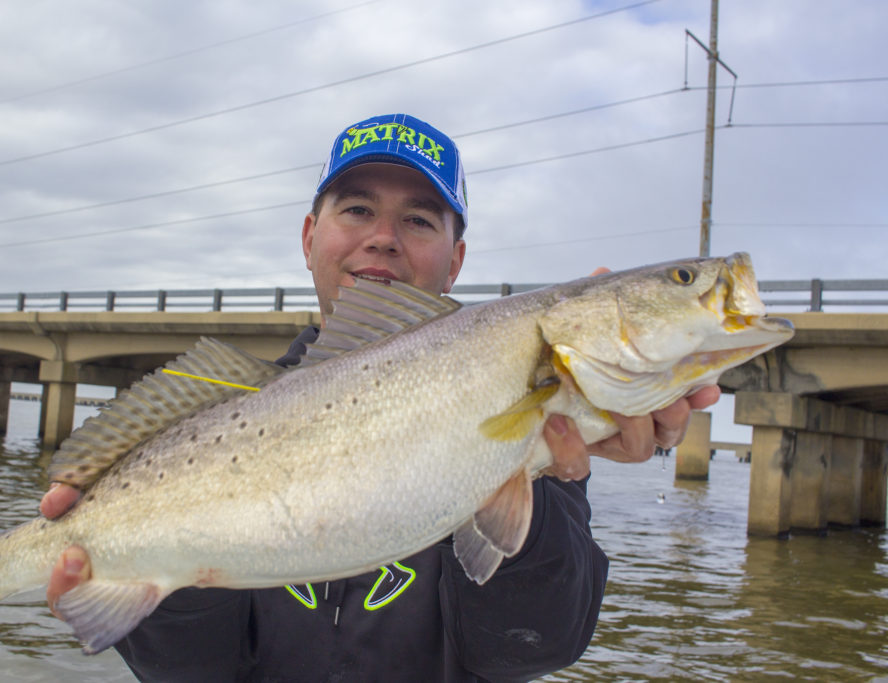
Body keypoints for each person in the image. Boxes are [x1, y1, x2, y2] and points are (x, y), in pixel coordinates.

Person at [40, 113, 720, 681]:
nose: (383, 238)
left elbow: (531, 645)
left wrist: (539, 502)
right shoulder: (220, 410)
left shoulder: (529, 413)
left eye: (420, 220)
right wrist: (152, 582)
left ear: (455, 260)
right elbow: (198, 671)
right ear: (311, 239)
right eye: (358, 208)